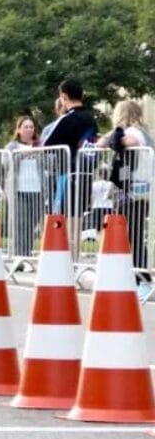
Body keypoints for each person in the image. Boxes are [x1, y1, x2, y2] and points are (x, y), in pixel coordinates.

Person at [96, 99, 153, 294]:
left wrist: (117, 132)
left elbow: (128, 142)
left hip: (135, 192)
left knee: (134, 235)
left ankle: (143, 279)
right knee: (131, 234)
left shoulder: (134, 133)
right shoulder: (141, 131)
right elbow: (100, 143)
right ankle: (136, 277)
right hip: (135, 191)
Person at [43, 79, 98, 251]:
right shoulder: (91, 119)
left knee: (63, 219)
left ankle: (65, 260)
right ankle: (74, 258)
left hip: (67, 175)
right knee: (77, 218)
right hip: (86, 175)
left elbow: (47, 146)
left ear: (63, 96)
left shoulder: (67, 119)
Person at [5, 116, 43, 257]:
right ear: (19, 129)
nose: (28, 130)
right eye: (25, 127)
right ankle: (18, 255)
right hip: (18, 190)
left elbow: (50, 165)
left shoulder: (40, 146)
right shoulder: (12, 146)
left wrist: (41, 154)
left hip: (37, 189)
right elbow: (6, 163)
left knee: (31, 224)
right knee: (20, 223)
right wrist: (22, 154)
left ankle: (27, 254)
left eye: (31, 127)